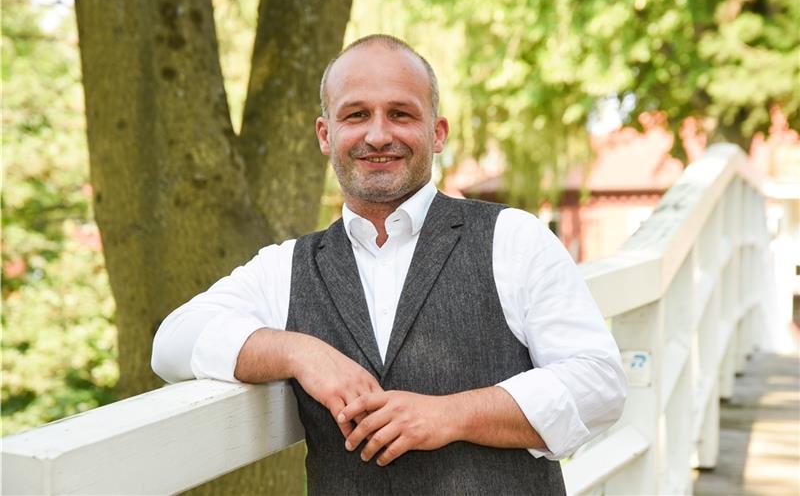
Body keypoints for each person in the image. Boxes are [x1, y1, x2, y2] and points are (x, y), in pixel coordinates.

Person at [152, 34, 626, 495]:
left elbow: (598, 382)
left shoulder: (514, 238)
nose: (378, 135)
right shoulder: (286, 267)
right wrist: (299, 352)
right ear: (326, 134)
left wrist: (451, 415)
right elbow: (173, 341)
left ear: (437, 132)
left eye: (400, 114)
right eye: (356, 115)